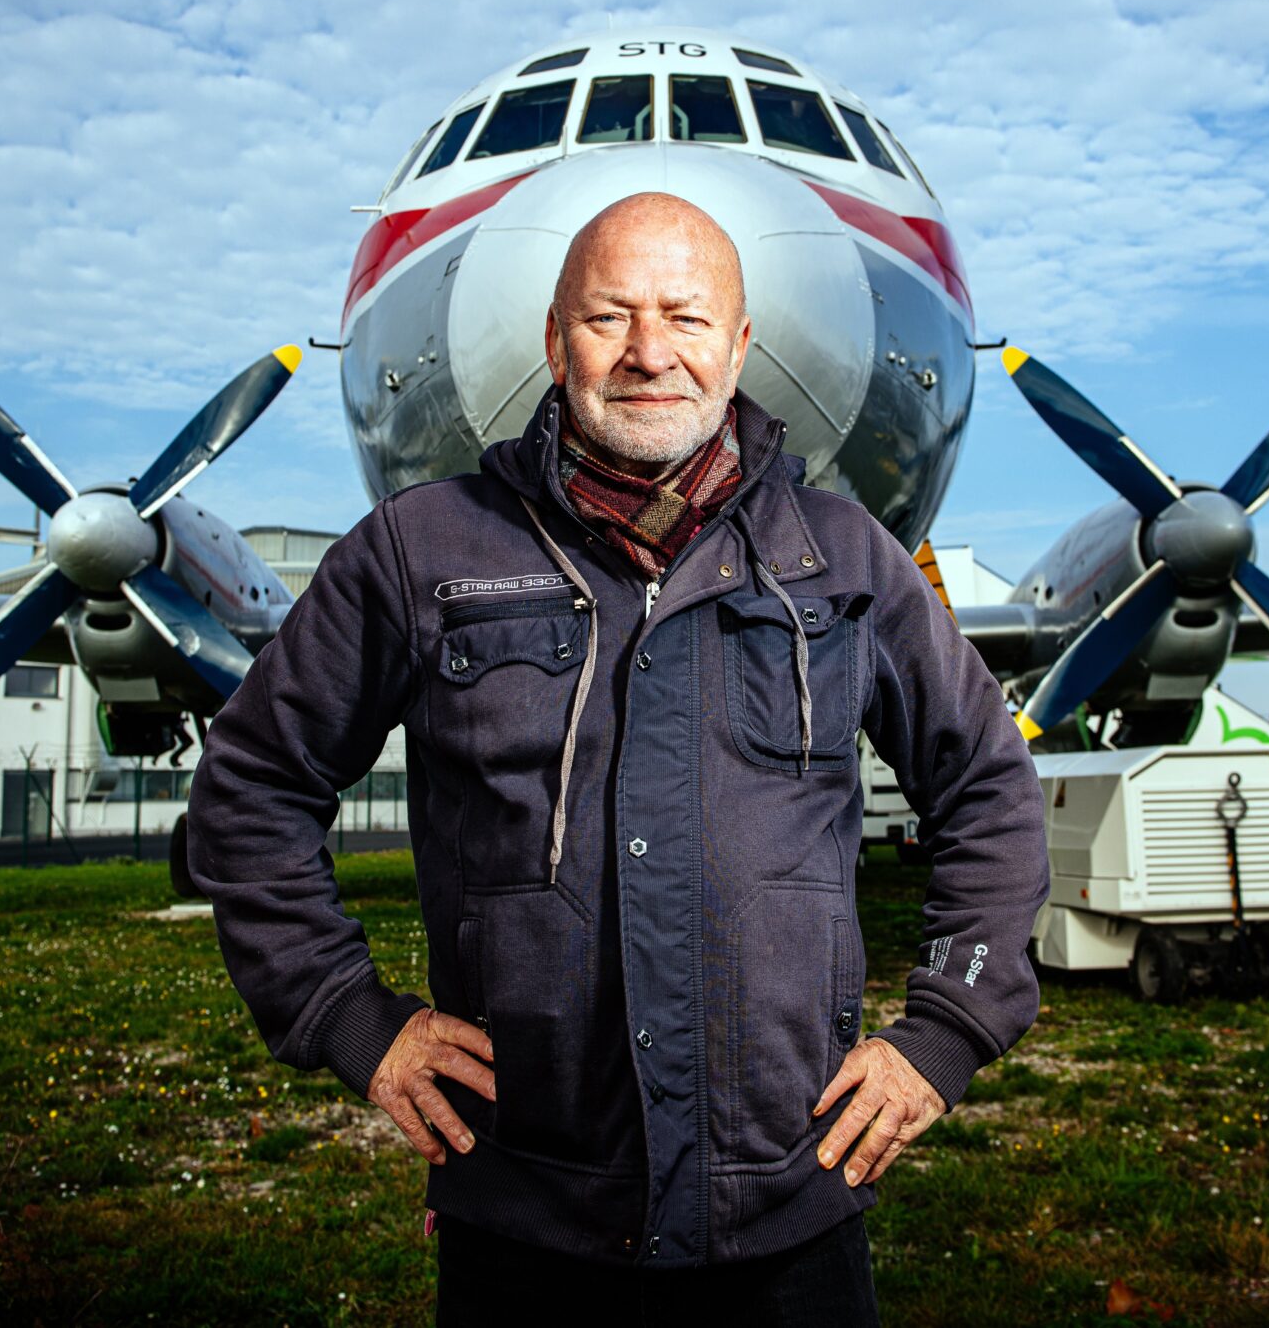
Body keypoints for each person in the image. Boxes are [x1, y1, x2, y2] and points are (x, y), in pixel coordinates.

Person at [186, 192, 1050, 1323]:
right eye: (610, 317)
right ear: (556, 341)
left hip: (791, 1206)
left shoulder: (846, 559)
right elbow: (251, 782)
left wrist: (945, 1029)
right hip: (527, 1216)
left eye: (688, 319)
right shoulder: (418, 552)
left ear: (740, 347)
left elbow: (987, 787)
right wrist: (350, 1015)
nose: (651, 353)